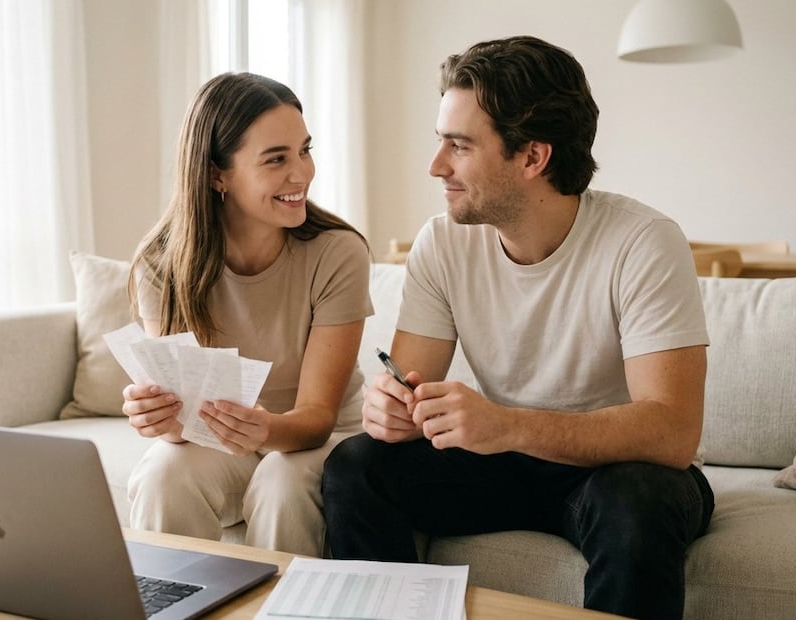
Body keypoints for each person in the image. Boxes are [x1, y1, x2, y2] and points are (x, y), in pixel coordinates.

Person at [321, 36, 714, 620]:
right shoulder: (443, 243)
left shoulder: (643, 242)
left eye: (459, 146)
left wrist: (506, 425)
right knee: (356, 466)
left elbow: (672, 432)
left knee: (640, 498)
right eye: (441, 141)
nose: (436, 166)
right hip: (501, 463)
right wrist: (390, 410)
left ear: (533, 157)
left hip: (615, 472)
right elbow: (408, 385)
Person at [122, 72, 372, 557]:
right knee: (162, 473)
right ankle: (173, 597)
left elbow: (318, 418)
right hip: (225, 440)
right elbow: (182, 424)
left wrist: (265, 429)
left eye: (304, 150)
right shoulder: (161, 263)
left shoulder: (338, 252)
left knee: (281, 481)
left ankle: (287, 599)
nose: (301, 174)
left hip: (322, 438)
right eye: (276, 158)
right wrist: (158, 419)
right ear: (217, 174)